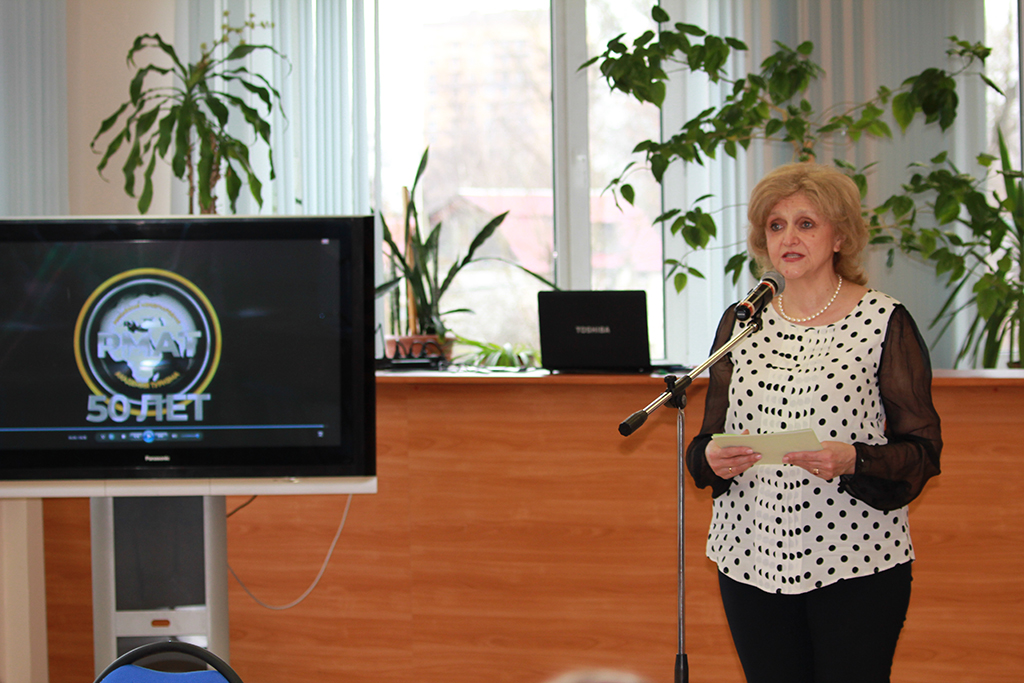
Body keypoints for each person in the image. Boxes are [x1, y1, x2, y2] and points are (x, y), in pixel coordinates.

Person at [685, 162, 942, 683]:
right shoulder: (742, 322)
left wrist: (855, 458)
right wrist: (709, 455)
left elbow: (921, 451)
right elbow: (708, 437)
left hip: (855, 557)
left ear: (839, 236)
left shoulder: (883, 320)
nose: (789, 238)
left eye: (806, 224)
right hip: (750, 554)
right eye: (776, 225)